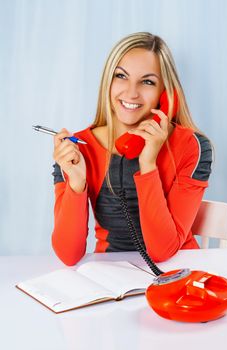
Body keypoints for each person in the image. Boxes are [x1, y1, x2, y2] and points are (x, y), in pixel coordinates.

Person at [52, 32, 212, 266]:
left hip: (177, 270)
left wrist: (148, 165)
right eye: (121, 76)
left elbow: (162, 251)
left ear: (165, 94)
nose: (131, 92)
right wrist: (76, 184)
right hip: (111, 275)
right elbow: (68, 254)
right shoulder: (76, 149)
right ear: (108, 81)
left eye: (148, 81)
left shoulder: (192, 146)